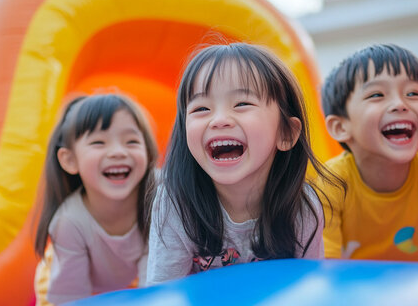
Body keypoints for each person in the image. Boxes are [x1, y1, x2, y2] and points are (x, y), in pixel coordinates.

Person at [146, 43, 344, 285]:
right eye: (201, 108)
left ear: (286, 133)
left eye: (242, 104)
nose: (219, 120)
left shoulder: (301, 208)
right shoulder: (176, 205)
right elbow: (164, 296)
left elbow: (306, 290)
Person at [320, 43, 418, 262]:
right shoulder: (329, 185)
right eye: (377, 95)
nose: (400, 104)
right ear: (340, 127)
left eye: (413, 93)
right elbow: (326, 273)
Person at [33, 94, 158, 306]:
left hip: (129, 275)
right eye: (98, 142)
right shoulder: (69, 223)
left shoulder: (159, 198)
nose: (118, 152)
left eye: (132, 141)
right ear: (70, 160)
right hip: (63, 273)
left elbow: (155, 282)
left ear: (147, 151)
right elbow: (70, 305)